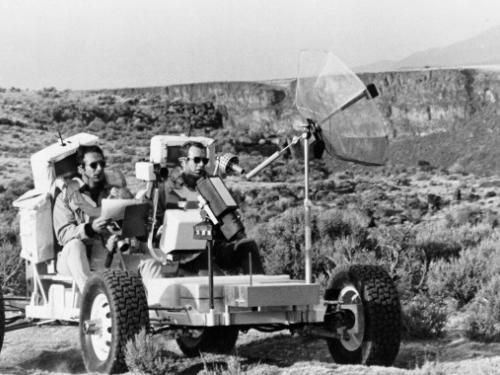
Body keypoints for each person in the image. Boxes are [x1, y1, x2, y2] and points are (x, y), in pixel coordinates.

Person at [53, 145, 162, 292]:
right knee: (74, 246)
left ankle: (158, 307)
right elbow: (63, 235)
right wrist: (90, 229)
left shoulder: (114, 192)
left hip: (109, 253)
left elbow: (134, 228)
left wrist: (137, 219)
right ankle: (92, 298)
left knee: (149, 260)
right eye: (93, 165)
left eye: (102, 164)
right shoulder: (65, 197)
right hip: (76, 259)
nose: (99, 168)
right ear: (81, 169)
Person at [160, 141, 264, 275]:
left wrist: (235, 234)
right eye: (196, 160)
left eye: (204, 160)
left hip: (212, 248)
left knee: (247, 246)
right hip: (184, 255)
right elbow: (152, 226)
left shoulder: (211, 186)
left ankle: (258, 291)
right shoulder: (166, 190)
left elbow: (230, 225)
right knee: (216, 281)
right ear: (183, 162)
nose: (201, 164)